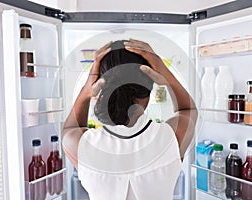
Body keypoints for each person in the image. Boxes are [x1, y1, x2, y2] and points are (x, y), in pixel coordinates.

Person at [62, 39, 198, 200]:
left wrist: (86, 91)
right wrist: (165, 73)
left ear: (100, 88)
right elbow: (188, 109)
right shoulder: (171, 137)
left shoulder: (82, 145)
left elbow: (69, 130)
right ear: (149, 90)